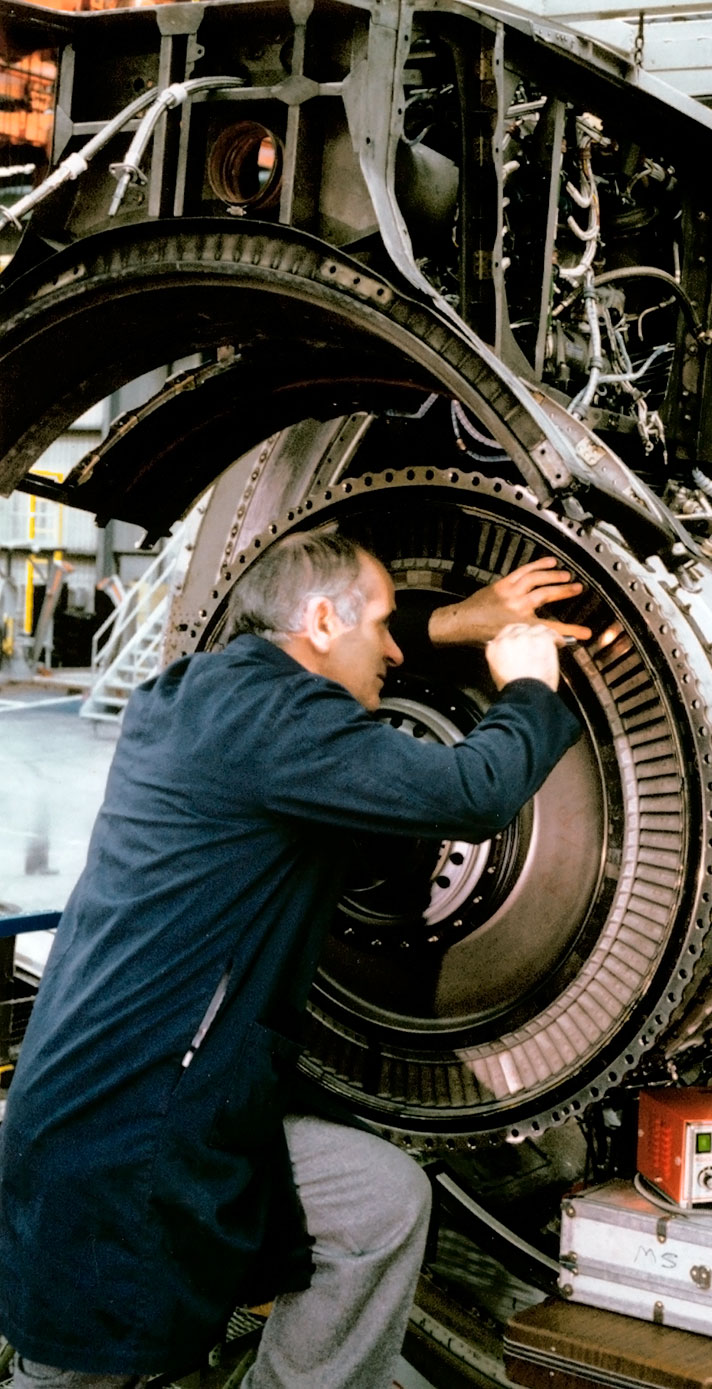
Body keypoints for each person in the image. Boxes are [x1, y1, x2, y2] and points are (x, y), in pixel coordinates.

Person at [0, 530, 591, 1388]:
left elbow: (340, 704)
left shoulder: (208, 691)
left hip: (181, 1097)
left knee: (378, 1201)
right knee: (84, 1370)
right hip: (127, 1126)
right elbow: (472, 792)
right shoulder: (273, 719)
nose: (394, 648)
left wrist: (457, 622)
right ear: (319, 619)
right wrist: (529, 686)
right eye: (384, 625)